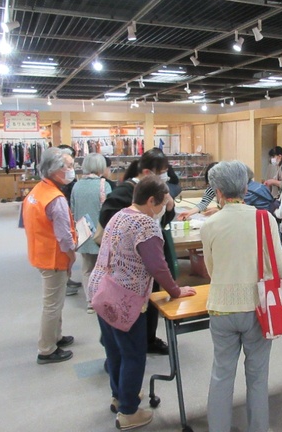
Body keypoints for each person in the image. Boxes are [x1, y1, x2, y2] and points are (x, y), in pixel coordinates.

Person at [88, 175, 196, 431]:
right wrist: (176, 291)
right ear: (151, 201)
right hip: (125, 298)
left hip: (101, 291)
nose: (164, 209)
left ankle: (120, 396)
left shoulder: (119, 215)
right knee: (134, 355)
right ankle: (128, 412)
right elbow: (158, 266)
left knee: (115, 351)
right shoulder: (146, 225)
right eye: (163, 203)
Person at [201, 161, 282, 432]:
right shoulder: (265, 219)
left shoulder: (210, 224)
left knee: (221, 375)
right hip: (258, 308)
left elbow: (211, 269)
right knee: (258, 376)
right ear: (245, 188)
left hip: (222, 308)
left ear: (218, 191)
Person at [98, 148, 175, 355]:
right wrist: (135, 226)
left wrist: (169, 207)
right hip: (129, 264)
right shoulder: (126, 191)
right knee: (129, 307)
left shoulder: (157, 190)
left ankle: (148, 339)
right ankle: (125, 343)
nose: (165, 176)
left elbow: (161, 220)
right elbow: (107, 216)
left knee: (150, 300)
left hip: (149, 256)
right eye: (162, 172)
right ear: (148, 172)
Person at [22, 147, 77, 365]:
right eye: (69, 166)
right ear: (55, 169)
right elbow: (64, 236)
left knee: (55, 300)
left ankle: (56, 335)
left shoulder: (37, 191)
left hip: (40, 252)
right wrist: (72, 255)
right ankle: (46, 349)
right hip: (54, 257)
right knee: (52, 304)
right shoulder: (56, 199)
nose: (72, 169)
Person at [70, 153, 112, 313]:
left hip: (83, 232)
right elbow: (109, 212)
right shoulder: (104, 185)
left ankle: (90, 301)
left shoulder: (76, 186)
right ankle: (103, 298)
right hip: (101, 232)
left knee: (87, 268)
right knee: (104, 268)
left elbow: (73, 209)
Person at [58, 144, 83, 294]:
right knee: (64, 249)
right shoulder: (57, 182)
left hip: (68, 212)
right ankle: (64, 283)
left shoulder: (67, 178)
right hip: (62, 215)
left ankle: (67, 279)